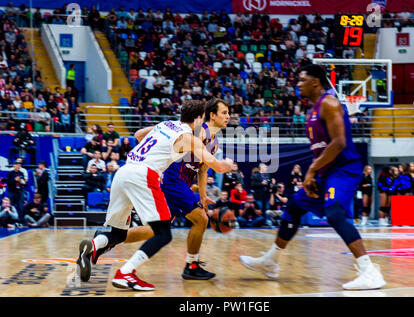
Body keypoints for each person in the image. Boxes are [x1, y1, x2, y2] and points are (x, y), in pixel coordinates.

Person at [239, 64, 386, 290]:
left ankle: (369, 271)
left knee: (335, 212)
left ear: (315, 82)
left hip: (344, 169)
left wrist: (311, 170)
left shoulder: (329, 102)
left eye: (302, 79)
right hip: (326, 173)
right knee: (295, 206)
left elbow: (339, 143)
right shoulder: (313, 111)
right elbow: (322, 149)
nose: (297, 84)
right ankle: (271, 261)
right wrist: (315, 174)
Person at [76, 100, 233, 291]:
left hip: (125, 172)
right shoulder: (193, 136)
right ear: (203, 117)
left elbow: (138, 135)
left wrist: (158, 150)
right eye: (224, 112)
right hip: (154, 177)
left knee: (133, 231)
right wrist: (227, 165)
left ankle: (96, 244)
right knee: (166, 232)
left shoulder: (165, 124)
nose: (228, 116)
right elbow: (214, 164)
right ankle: (127, 272)